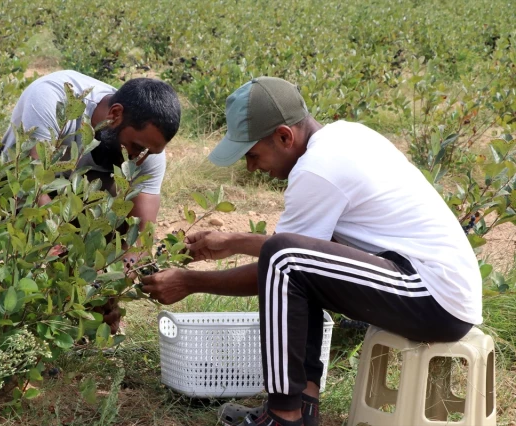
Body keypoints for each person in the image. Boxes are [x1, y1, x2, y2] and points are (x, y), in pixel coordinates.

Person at [140, 77, 481, 426]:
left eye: (253, 154)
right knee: (298, 266)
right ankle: (303, 410)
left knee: (287, 263)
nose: (251, 167)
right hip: (432, 290)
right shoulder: (344, 136)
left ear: (285, 136)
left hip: (431, 296)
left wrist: (190, 282)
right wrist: (234, 242)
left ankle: (284, 415)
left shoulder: (317, 169)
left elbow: (280, 264)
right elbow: (315, 254)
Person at [1, 70, 181, 229]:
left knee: (117, 210)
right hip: (14, 186)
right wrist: (56, 243)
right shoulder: (54, 98)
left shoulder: (147, 144)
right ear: (115, 114)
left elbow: (141, 233)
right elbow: (33, 182)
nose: (139, 160)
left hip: (72, 198)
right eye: (136, 148)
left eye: (150, 153)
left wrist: (129, 265)